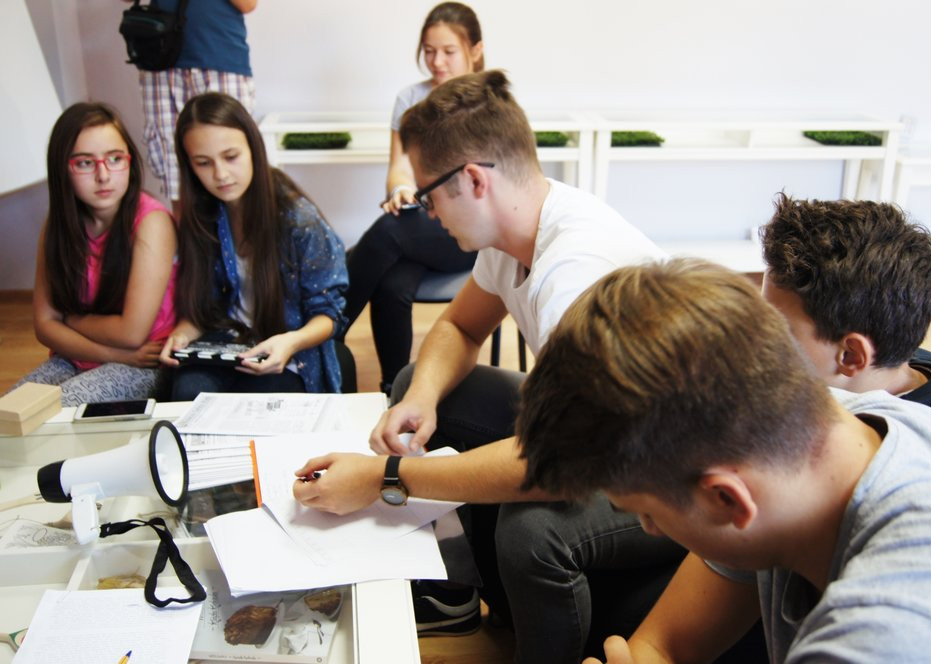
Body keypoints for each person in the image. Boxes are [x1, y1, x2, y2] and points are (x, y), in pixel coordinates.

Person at [293, 70, 681, 662]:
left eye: (427, 195)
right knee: (415, 383)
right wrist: (419, 400)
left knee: (531, 531)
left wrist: (384, 478)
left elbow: (553, 465)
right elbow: (460, 327)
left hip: (666, 467)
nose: (426, 213)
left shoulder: (574, 271)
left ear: (474, 180)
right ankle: (479, 600)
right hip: (597, 429)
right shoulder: (515, 230)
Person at [516, 259, 931, 664]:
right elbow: (666, 647)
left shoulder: (886, 639)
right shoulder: (815, 430)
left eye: (646, 513)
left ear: (726, 498)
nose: (651, 530)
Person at [760, 193, 931, 448]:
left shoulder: (887, 449)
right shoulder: (894, 360)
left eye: (777, 329)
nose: (760, 335)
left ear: (851, 356)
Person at [159, 92, 348, 399]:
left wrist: (290, 342)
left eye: (231, 157)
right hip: (226, 343)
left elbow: (330, 315)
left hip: (287, 353)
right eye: (203, 163)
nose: (220, 174)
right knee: (187, 393)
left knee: (260, 404)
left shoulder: (299, 220)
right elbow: (204, 307)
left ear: (253, 149)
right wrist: (182, 334)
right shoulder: (203, 213)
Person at [335, 2, 482, 394]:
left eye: (448, 52)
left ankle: (326, 333)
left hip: (467, 231)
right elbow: (398, 167)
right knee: (391, 281)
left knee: (389, 231)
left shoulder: (486, 104)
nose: (437, 62)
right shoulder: (410, 99)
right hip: (421, 225)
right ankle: (393, 388)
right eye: (429, 51)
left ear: (475, 50)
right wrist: (401, 191)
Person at [9, 102, 177, 407]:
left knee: (58, 412)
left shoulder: (152, 222)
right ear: (62, 168)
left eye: (115, 159)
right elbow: (44, 326)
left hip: (143, 362)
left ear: (129, 161)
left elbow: (131, 334)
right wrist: (111, 352)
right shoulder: (58, 225)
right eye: (85, 163)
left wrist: (68, 319)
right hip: (79, 355)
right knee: (9, 413)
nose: (103, 175)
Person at [129, 0, 256, 213]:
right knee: (174, 168)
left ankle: (240, 234)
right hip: (161, 58)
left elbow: (248, 4)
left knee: (231, 158)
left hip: (220, 56)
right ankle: (188, 235)